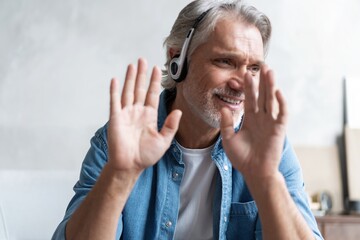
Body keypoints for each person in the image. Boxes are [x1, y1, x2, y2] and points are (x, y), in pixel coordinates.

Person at [53, 0, 323, 239]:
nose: (242, 84)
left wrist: (266, 180)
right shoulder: (120, 141)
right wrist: (120, 175)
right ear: (177, 58)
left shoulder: (267, 145)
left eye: (253, 68)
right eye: (225, 62)